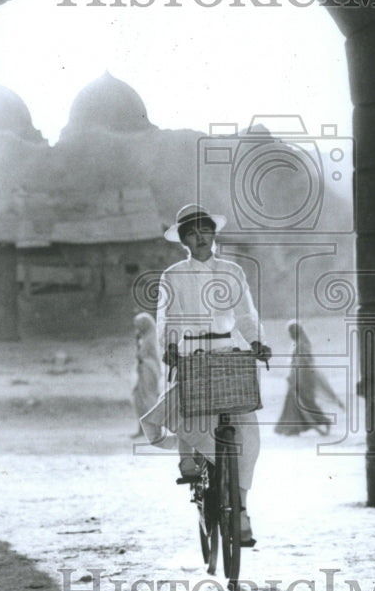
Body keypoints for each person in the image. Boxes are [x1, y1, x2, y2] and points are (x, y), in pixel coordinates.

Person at [140, 204, 271, 546]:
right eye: (192, 233)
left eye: (206, 231)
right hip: (192, 354)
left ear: (214, 234)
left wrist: (257, 341)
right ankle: (191, 461)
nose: (200, 238)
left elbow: (246, 313)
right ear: (183, 240)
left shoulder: (231, 271)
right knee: (190, 409)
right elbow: (167, 318)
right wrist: (170, 346)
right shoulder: (174, 275)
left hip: (228, 355)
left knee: (247, 432)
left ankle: (241, 509)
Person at [275, 319, 344, 436]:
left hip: (302, 378)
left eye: (291, 332)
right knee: (298, 401)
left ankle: (320, 422)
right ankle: (294, 428)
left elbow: (300, 363)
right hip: (302, 377)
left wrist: (294, 378)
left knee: (304, 402)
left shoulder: (300, 345)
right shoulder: (302, 343)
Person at [130, 312, 162, 438]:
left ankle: (154, 429)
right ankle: (142, 428)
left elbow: (143, 354)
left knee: (148, 399)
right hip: (143, 369)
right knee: (139, 398)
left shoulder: (150, 339)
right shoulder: (145, 338)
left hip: (149, 370)